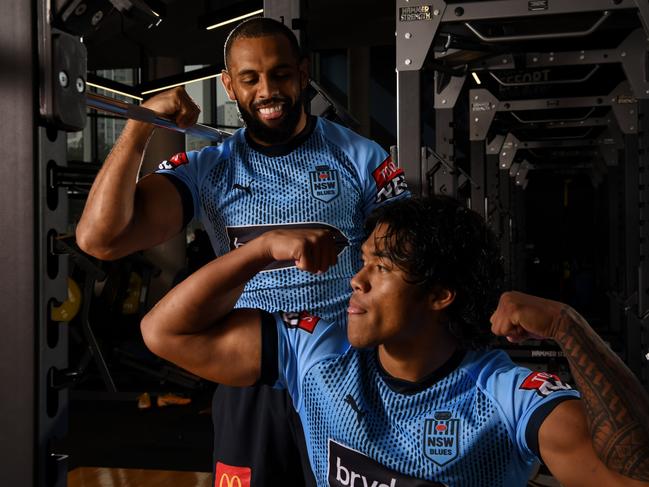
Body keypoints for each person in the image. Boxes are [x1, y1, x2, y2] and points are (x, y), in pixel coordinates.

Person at [75, 17, 408, 486]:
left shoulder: (358, 156)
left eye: (281, 74)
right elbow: (100, 239)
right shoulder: (208, 167)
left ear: (303, 73)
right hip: (249, 366)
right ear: (229, 86)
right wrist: (138, 128)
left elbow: (409, 261)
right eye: (250, 78)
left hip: (345, 368)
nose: (268, 90)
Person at [141, 195, 649, 487]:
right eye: (362, 262)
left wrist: (567, 325)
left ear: (441, 294)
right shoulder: (320, 354)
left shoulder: (504, 396)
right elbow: (163, 332)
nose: (355, 281)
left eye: (381, 268)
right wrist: (262, 250)